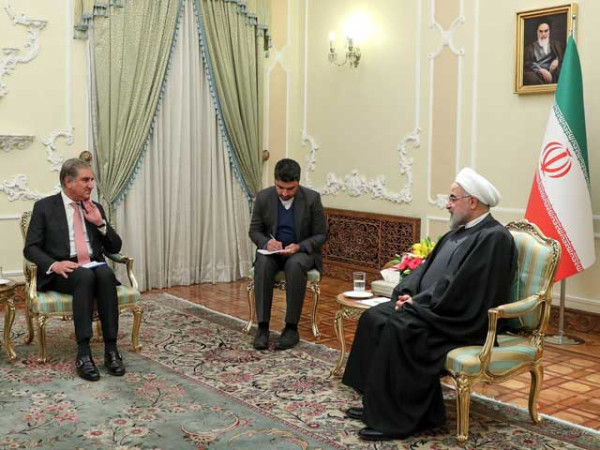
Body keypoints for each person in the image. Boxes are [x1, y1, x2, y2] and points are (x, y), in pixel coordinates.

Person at [342, 168, 517, 441]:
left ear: (473, 202)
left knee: (401, 326)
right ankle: (376, 405)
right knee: (374, 317)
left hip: (460, 319)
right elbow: (425, 271)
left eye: (453, 198)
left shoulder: (494, 237)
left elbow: (464, 288)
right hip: (431, 307)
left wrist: (418, 303)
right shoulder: (455, 233)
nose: (447, 204)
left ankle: (403, 419)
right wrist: (406, 293)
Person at [24, 158, 125, 381]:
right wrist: (54, 264)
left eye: (92, 180)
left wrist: (100, 224)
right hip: (63, 269)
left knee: (106, 274)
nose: (91, 185)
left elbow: (115, 248)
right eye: (85, 180)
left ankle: (111, 350)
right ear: (68, 181)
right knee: (84, 277)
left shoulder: (95, 207)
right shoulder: (44, 207)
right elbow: (31, 248)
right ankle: (83, 354)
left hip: (92, 264)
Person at [249, 158, 327, 350]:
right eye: (280, 188)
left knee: (295, 264)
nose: (284, 193)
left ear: (298, 183)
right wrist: (266, 242)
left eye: (290, 189)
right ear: (275, 181)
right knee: (263, 263)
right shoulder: (263, 197)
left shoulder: (312, 199)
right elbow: (254, 231)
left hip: (300, 252)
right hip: (273, 253)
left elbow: (321, 235)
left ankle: (291, 329)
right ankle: (262, 328)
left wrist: (299, 247)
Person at [523, 19, 565, 85]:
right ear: (537, 32)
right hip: (537, 74)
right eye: (541, 31)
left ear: (549, 31)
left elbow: (564, 58)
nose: (543, 34)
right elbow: (527, 63)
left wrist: (557, 60)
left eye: (546, 31)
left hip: (554, 74)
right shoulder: (529, 48)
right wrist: (540, 70)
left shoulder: (557, 45)